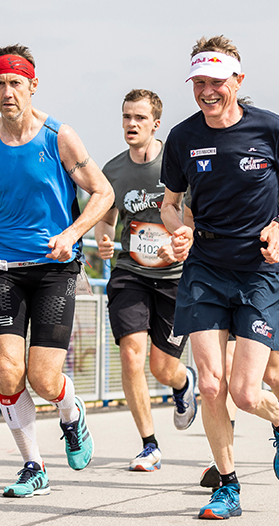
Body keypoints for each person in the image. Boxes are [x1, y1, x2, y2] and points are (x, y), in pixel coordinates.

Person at [0, 44, 114, 498]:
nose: (7, 91)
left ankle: (71, 414)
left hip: (55, 267)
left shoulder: (58, 136)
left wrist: (73, 233)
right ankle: (33, 465)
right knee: (7, 372)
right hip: (3, 266)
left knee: (42, 377)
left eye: (15, 82)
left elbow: (103, 192)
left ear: (32, 86)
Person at [160, 35, 279, 519]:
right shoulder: (184, 137)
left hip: (258, 272)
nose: (207, 91)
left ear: (238, 81)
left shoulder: (270, 128)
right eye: (199, 83)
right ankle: (226, 486)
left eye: (216, 82)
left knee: (247, 393)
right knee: (210, 385)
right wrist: (180, 229)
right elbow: (169, 203)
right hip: (205, 267)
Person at [94, 89, 197, 473]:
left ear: (156, 123)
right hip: (130, 273)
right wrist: (103, 239)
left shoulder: (178, 162)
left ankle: (184, 382)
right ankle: (149, 444)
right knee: (131, 354)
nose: (131, 125)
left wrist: (182, 243)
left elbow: (198, 214)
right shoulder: (114, 170)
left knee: (161, 368)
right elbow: (107, 216)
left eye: (139, 118)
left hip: (175, 278)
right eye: (126, 117)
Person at [198, 179, 279, 489]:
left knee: (271, 373)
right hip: (222, 282)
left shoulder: (277, 176)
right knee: (223, 370)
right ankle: (223, 459)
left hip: (270, 280)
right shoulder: (215, 163)